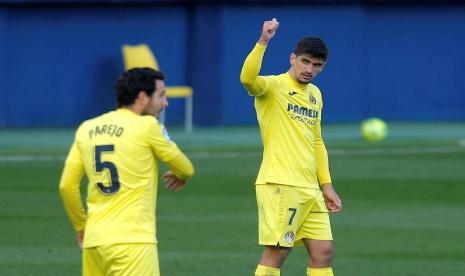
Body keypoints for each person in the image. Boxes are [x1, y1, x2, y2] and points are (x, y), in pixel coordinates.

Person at [59, 67, 194, 275]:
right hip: (133, 242)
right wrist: (180, 175)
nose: (165, 103)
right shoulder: (148, 126)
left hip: (94, 242)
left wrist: (81, 228)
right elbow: (185, 168)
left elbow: (67, 186)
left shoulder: (87, 128)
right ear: (142, 97)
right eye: (161, 95)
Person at [240, 18, 342, 276]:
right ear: (292, 58)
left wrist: (326, 185)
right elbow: (247, 79)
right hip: (280, 183)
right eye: (305, 61)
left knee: (323, 252)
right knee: (277, 252)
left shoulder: (315, 95)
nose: (309, 69)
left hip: (310, 188)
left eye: (316, 65)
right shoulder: (273, 87)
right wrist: (263, 41)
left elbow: (317, 141)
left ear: (323, 66)